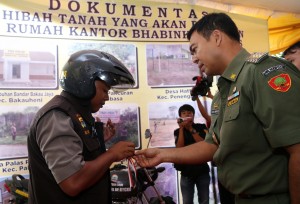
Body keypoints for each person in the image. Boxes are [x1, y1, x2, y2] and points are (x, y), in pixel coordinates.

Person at [135, 13, 300, 204]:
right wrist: (163, 154)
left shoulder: (261, 73)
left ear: (216, 37)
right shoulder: (223, 92)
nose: (194, 59)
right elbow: (212, 145)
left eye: (195, 49)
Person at [27, 50, 136, 204]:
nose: (107, 97)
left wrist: (99, 139)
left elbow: (76, 152)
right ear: (85, 84)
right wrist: (112, 154)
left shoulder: (75, 113)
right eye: (104, 90)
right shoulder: (57, 116)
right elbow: (73, 182)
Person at [174, 104, 210, 204]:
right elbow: (179, 149)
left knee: (204, 201)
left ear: (193, 115)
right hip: (186, 173)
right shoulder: (177, 131)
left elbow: (204, 144)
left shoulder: (201, 127)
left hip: (202, 171)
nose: (186, 115)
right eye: (184, 113)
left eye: (189, 113)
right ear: (180, 116)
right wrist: (181, 128)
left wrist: (190, 128)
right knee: (187, 201)